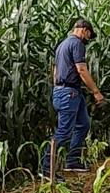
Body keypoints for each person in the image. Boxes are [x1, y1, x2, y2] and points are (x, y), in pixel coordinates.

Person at [40, 19, 105, 181]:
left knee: (83, 124)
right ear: (84, 30)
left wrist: (59, 88)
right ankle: (46, 168)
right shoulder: (77, 43)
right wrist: (96, 92)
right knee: (64, 131)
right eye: (89, 35)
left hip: (68, 91)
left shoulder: (62, 45)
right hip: (68, 93)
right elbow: (81, 69)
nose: (88, 39)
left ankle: (72, 160)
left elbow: (55, 71)